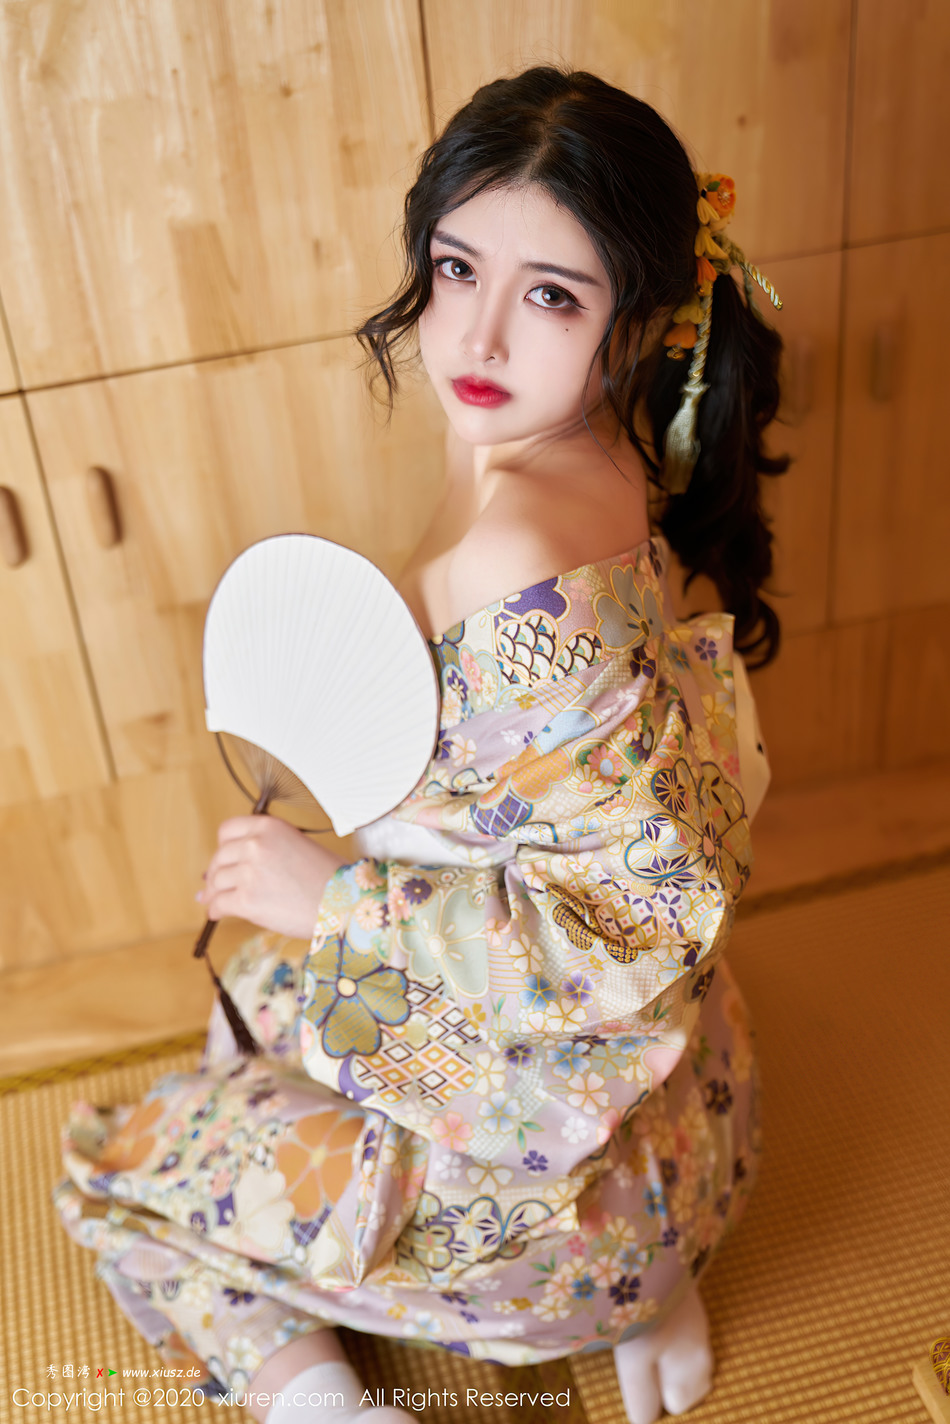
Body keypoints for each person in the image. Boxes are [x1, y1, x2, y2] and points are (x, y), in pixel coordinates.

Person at [53, 65, 787, 1424]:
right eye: (456, 269)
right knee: (244, 1013)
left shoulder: (515, 542)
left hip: (553, 1215)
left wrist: (335, 895)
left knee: (109, 1173)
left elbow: (627, 914)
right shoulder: (595, 460)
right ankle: (650, 1279)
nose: (479, 334)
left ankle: (331, 1405)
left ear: (636, 318)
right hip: (678, 1110)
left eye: (550, 296)